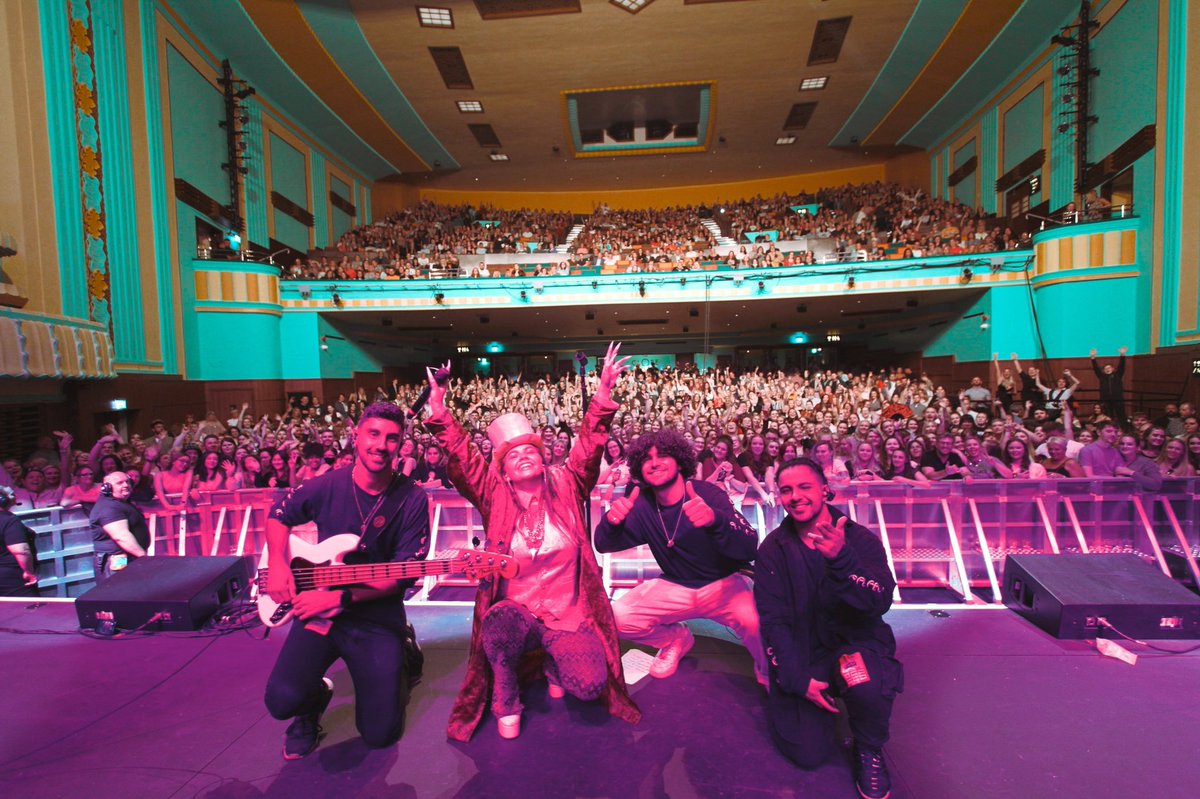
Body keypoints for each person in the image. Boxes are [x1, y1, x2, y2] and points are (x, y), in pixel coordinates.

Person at [423, 344, 640, 741]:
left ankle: (555, 662)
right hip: (517, 613)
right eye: (512, 454)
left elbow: (590, 447)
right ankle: (507, 693)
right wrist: (439, 409)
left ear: (543, 457)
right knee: (500, 623)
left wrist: (603, 394)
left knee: (590, 686)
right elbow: (463, 457)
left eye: (530, 450)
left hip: (567, 615)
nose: (523, 456)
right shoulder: (494, 494)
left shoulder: (567, 483)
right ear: (501, 470)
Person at [263, 402, 430, 759]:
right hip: (318, 609)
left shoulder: (413, 499)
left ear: (401, 444)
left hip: (375, 615)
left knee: (381, 734)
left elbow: (403, 576)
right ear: (356, 436)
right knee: (280, 700)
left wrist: (340, 599)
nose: (381, 445)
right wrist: (278, 564)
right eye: (373, 434)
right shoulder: (327, 485)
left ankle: (403, 653)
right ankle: (313, 703)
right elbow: (278, 514)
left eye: (391, 438)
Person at [755, 459, 902, 799]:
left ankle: (868, 747)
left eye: (804, 487)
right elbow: (773, 621)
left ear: (824, 490)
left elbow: (879, 602)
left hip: (855, 645)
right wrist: (796, 679)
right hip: (807, 652)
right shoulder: (772, 550)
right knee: (806, 753)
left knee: (864, 682)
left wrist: (841, 560)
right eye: (786, 490)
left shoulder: (858, 539)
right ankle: (819, 694)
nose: (795, 496)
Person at [594, 428, 766, 685]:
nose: (654, 463)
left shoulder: (708, 494)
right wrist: (611, 522)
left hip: (723, 584)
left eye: (662, 455)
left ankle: (767, 674)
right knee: (617, 617)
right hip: (674, 584)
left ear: (679, 460)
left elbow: (750, 545)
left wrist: (714, 520)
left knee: (758, 625)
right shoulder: (643, 505)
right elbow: (603, 544)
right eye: (646, 459)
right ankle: (675, 640)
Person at [89, 472, 150, 584]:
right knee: (119, 596)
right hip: (117, 560)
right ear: (107, 487)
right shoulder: (108, 508)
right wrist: (144, 557)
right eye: (119, 483)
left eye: (127, 482)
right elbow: (121, 537)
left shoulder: (120, 503)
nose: (126, 485)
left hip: (129, 558)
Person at [0, 486, 38, 596]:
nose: (14, 496)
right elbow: (21, 551)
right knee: (28, 609)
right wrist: (29, 572)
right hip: (12, 578)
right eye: (11, 494)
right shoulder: (9, 521)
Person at [1091, 347, 1127, 424]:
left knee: (1121, 415)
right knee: (1107, 416)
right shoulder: (1101, 376)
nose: (1108, 369)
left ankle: (1124, 429)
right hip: (1105, 399)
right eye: (1105, 368)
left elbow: (1121, 366)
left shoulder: (1118, 375)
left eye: (1109, 367)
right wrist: (1093, 358)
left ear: (1113, 369)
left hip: (1117, 399)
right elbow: (1096, 369)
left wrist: (1122, 355)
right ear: (1103, 370)